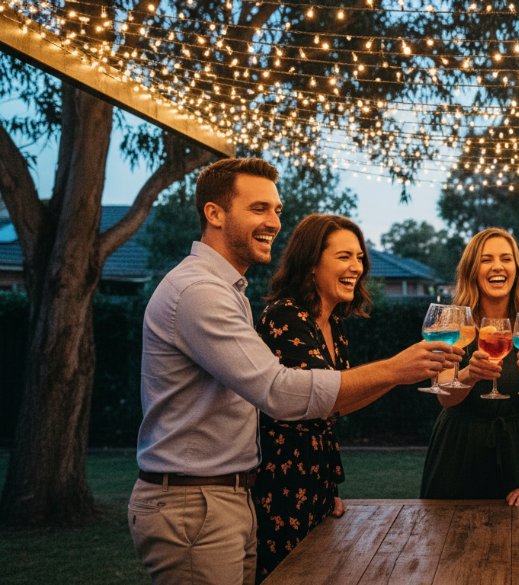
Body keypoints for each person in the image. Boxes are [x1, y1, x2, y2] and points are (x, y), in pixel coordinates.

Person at [129, 158, 460, 585]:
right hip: (196, 502)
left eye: (277, 210)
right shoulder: (200, 292)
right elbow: (279, 393)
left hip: (226, 496)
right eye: (258, 208)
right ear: (214, 214)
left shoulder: (227, 291)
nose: (274, 222)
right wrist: (396, 369)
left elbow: (312, 403)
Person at [250, 214, 374, 581]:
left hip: (316, 481)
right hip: (280, 484)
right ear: (311, 264)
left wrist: (324, 489)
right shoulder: (284, 317)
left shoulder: (333, 323)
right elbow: (325, 398)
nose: (356, 267)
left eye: (359, 257)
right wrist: (399, 369)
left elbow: (341, 404)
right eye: (344, 256)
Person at [420, 227, 519, 505]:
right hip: (457, 453)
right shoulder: (451, 322)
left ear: (516, 269)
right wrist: (469, 375)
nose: (497, 266)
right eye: (486, 259)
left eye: (506, 258)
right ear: (472, 270)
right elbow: (445, 398)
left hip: (515, 453)